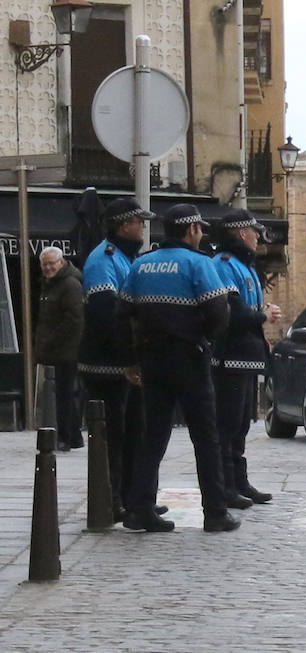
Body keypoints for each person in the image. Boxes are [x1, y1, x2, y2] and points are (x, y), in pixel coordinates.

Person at [117, 203, 239, 533]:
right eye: (199, 229)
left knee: (152, 436)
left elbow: (121, 313)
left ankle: (139, 508)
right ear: (191, 230)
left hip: (152, 361)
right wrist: (204, 339)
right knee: (205, 437)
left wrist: (132, 357)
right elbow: (219, 312)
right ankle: (214, 512)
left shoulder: (141, 265)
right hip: (190, 360)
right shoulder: (198, 264)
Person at [79, 198, 159, 521]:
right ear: (124, 224)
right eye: (140, 221)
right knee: (113, 434)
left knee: (133, 432)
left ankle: (130, 497)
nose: (143, 227)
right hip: (108, 364)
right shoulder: (104, 259)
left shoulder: (126, 259)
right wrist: (128, 356)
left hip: (124, 362)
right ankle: (110, 501)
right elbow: (106, 314)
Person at [212, 209, 281, 508]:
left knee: (241, 424)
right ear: (242, 233)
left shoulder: (245, 265)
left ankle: (239, 481)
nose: (257, 237)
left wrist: (262, 309)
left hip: (246, 356)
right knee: (228, 423)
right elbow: (233, 312)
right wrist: (263, 315)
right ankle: (227, 485)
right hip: (230, 356)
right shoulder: (225, 265)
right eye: (254, 232)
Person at [35, 246, 84, 452]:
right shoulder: (50, 285)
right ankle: (73, 436)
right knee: (62, 393)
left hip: (67, 349)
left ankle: (65, 436)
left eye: (51, 263)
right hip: (56, 348)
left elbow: (74, 318)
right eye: (44, 264)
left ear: (61, 263)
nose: (47, 268)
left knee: (64, 394)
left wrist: (52, 340)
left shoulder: (69, 284)